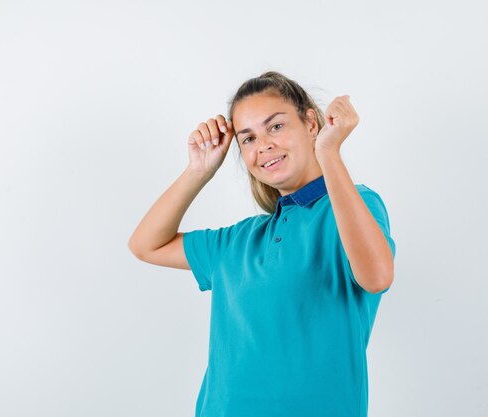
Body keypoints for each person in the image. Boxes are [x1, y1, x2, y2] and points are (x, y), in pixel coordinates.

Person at [128, 71, 396, 417]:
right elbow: (146, 245)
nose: (264, 145)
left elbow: (376, 277)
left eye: (276, 127)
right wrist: (198, 171)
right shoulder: (239, 240)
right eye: (248, 138)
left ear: (310, 123)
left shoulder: (352, 207)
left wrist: (329, 153)